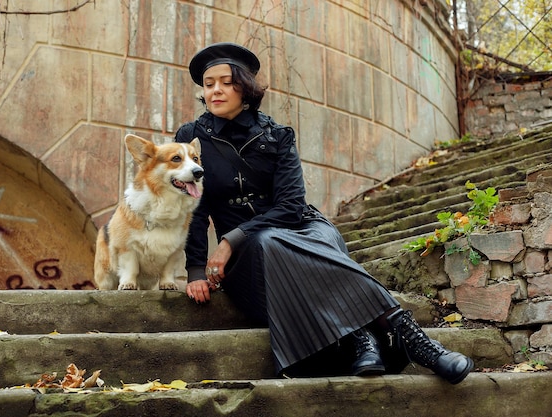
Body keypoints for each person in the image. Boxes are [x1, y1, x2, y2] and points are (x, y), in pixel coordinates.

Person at [175, 42, 474, 384]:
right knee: (268, 242)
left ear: (244, 86)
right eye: (209, 83)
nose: (215, 90)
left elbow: (292, 206)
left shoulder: (278, 136)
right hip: (250, 262)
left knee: (309, 236)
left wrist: (228, 240)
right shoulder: (191, 137)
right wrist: (196, 269)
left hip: (301, 228)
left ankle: (398, 341)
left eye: (226, 81)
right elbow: (191, 207)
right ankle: (384, 338)